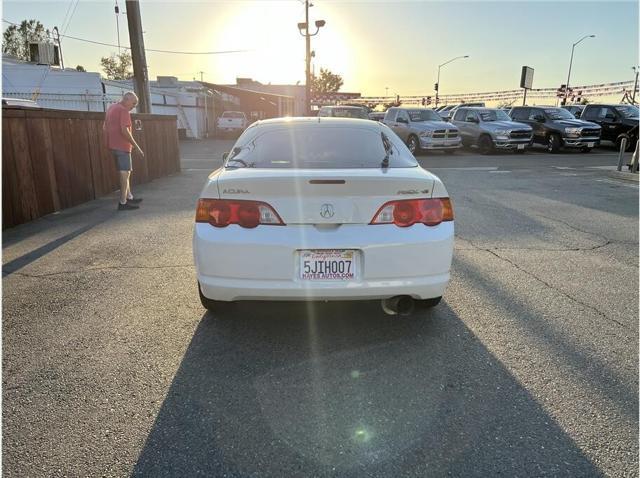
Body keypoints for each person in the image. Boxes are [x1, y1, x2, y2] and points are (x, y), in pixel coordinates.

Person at [104, 91, 145, 211]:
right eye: (133, 103)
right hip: (122, 147)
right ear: (127, 100)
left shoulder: (111, 108)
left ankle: (129, 197)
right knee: (125, 173)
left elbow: (104, 126)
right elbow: (125, 131)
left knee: (125, 173)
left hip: (113, 145)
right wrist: (137, 147)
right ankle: (123, 202)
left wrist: (107, 142)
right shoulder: (123, 110)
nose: (134, 106)